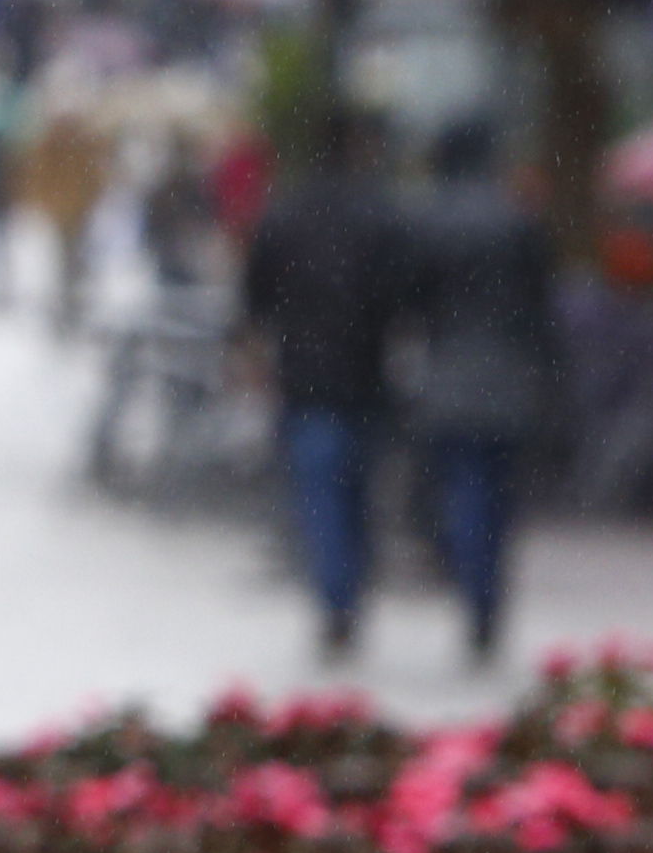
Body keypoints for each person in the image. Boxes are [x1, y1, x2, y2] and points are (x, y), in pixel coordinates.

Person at [238, 114, 412, 659]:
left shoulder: (286, 216)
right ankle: (348, 592)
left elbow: (254, 298)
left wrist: (252, 351)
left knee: (321, 498)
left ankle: (336, 599)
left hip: (306, 380)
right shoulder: (382, 217)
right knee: (359, 494)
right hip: (366, 378)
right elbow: (404, 298)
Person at [393, 115, 563, 665]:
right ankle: (489, 600)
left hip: (450, 376)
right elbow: (543, 309)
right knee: (499, 496)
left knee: (462, 492)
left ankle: (475, 598)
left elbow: (412, 303)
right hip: (509, 376)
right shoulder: (518, 219)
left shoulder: (429, 221)